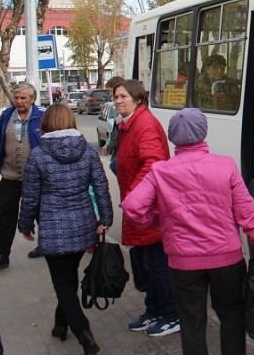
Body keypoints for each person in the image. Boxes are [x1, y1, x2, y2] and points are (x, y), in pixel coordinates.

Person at [123, 108, 254, 355]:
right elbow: (247, 211)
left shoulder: (161, 171)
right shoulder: (226, 166)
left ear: (172, 137)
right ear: (203, 132)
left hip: (183, 263)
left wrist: (158, 221)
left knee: (192, 321)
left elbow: (132, 207)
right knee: (232, 315)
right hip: (226, 259)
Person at [18, 104, 112, 355]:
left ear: (46, 124)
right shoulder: (88, 152)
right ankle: (61, 324)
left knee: (63, 282)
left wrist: (25, 226)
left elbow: (30, 197)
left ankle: (84, 332)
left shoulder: (38, 155)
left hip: (52, 227)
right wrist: (105, 218)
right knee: (69, 278)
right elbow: (101, 186)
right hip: (83, 226)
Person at [112, 79, 179, 337]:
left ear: (138, 99)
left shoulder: (144, 124)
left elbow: (153, 164)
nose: (118, 101)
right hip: (138, 207)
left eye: (123, 97)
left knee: (156, 265)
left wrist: (134, 197)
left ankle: (172, 314)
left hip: (148, 209)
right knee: (145, 265)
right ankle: (155, 311)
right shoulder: (130, 124)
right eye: (116, 97)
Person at [0, 82, 44, 268]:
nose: (19, 101)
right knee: (6, 214)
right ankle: (1, 254)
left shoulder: (41, 116)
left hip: (36, 176)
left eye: (23, 98)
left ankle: (45, 245)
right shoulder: (6, 116)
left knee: (41, 211)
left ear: (32, 99)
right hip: (10, 175)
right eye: (16, 97)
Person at [102, 76, 125, 176]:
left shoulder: (125, 107)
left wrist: (123, 121)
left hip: (124, 148)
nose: (110, 94)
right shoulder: (116, 107)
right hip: (119, 148)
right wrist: (108, 144)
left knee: (114, 165)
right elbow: (114, 132)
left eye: (111, 91)